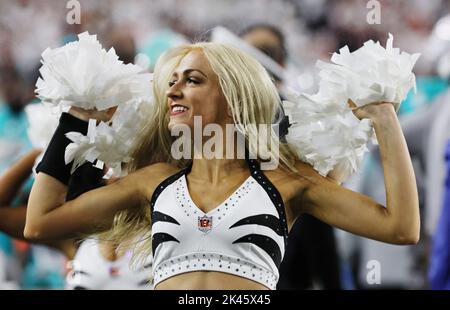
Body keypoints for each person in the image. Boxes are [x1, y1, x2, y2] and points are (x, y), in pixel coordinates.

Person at [25, 42, 420, 290]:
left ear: (233, 95)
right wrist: (75, 118)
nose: (174, 90)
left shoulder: (287, 183)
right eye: (172, 82)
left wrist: (384, 119)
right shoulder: (153, 182)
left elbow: (400, 228)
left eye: (192, 80)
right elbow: (39, 222)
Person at [240, 23, 342, 289]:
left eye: (267, 53)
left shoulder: (304, 121)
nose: (260, 62)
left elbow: (320, 211)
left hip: (289, 274)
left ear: (282, 60)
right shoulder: (211, 126)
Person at [0, 150, 153, 289]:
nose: (119, 173)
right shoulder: (79, 234)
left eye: (126, 163)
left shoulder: (164, 227)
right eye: (113, 163)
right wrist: (45, 151)